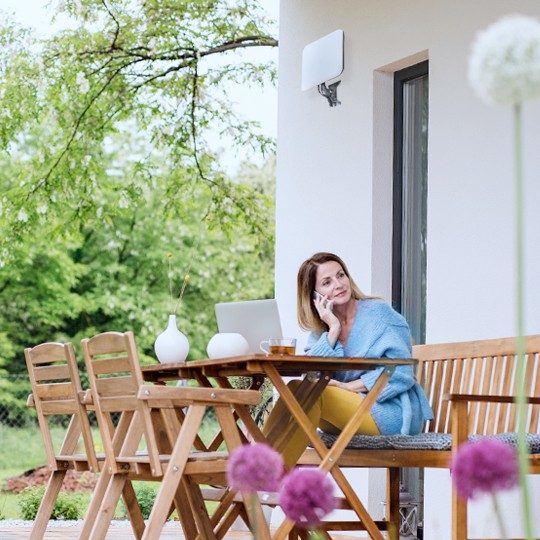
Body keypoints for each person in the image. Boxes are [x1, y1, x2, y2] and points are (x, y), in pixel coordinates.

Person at [262, 252, 433, 468]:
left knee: (316, 395)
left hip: (391, 413)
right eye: (327, 282)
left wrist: (348, 387)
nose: (339, 284)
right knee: (297, 388)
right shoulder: (322, 330)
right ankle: (259, 463)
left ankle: (265, 474)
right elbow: (311, 377)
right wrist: (333, 330)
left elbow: (402, 371)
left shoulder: (379, 314)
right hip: (351, 414)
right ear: (315, 296)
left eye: (340, 275)